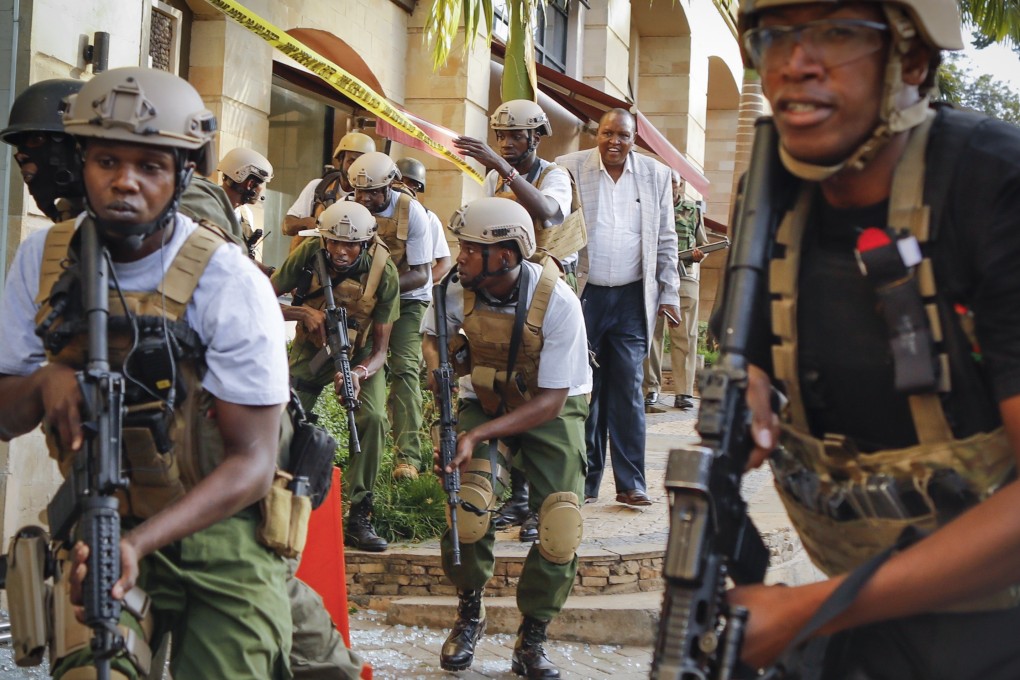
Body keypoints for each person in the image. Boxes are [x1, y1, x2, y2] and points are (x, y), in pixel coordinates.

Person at [2, 74, 364, 680]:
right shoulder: (41, 261)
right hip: (102, 517)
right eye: (108, 160)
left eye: (149, 165)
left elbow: (250, 466)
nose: (125, 180)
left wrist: (139, 547)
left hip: (221, 528)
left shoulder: (228, 281)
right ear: (81, 162)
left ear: (182, 174)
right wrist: (45, 384)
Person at [721, 2, 1020, 678]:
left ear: (912, 60)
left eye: (837, 31)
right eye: (776, 35)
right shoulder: (768, 196)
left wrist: (805, 611)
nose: (795, 62)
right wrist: (750, 394)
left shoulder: (994, 185)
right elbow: (751, 363)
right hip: (861, 618)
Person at [422, 197, 590, 678]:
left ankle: (531, 639)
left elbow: (552, 402)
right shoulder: (456, 289)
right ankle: (469, 613)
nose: (461, 257)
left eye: (472, 250)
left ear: (508, 256)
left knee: (559, 523)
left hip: (550, 406)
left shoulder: (557, 302)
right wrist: (441, 375)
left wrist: (480, 437)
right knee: (468, 504)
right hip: (489, 395)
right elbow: (434, 339)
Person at [455, 99, 577, 541]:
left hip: (545, 284)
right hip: (503, 281)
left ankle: (534, 501)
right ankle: (515, 497)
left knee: (537, 380)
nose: (506, 143)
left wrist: (503, 171)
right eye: (500, 136)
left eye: (516, 136)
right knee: (505, 379)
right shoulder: (494, 174)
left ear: (536, 137)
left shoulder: (555, 174)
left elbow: (546, 213)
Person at [555, 109, 681, 507]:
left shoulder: (656, 176)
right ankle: (586, 482)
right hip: (584, 295)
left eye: (622, 136)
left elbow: (666, 239)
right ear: (598, 134)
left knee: (627, 390)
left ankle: (631, 484)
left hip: (631, 297)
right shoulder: (569, 168)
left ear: (634, 138)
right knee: (583, 389)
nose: (614, 142)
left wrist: (670, 293)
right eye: (607, 133)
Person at [272, 201, 399, 553]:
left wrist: (358, 373)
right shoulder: (308, 252)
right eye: (335, 243)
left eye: (351, 245)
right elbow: (259, 298)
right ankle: (274, 499)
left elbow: (380, 352)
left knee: (372, 418)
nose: (341, 252)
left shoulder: (384, 272)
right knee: (281, 416)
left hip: (357, 356)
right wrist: (300, 311)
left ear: (365, 243)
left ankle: (360, 513)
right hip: (311, 351)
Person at [0, 78, 245, 247]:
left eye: (38, 140)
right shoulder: (69, 213)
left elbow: (230, 271)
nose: (24, 158)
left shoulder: (177, 197)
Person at [349, 151, 434, 482]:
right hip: (364, 301)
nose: (365, 199)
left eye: (373, 192)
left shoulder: (412, 211)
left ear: (390, 185)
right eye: (359, 192)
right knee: (363, 363)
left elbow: (422, 273)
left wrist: (380, 289)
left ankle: (408, 458)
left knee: (405, 369)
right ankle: (366, 448)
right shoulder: (348, 208)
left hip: (408, 298)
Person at [643, 172, 709, 411]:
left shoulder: (693, 212)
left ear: (680, 185)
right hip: (652, 279)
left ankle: (684, 392)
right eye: (666, 181)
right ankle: (651, 389)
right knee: (651, 337)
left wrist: (699, 254)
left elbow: (702, 244)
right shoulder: (649, 207)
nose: (670, 186)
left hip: (684, 277)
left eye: (673, 182)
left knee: (685, 338)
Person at [284, 131, 376, 253]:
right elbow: (287, 226)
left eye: (362, 163)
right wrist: (308, 223)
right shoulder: (318, 187)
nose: (356, 169)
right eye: (351, 161)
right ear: (340, 160)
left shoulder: (371, 199)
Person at [394, 157, 453, 286]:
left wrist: (422, 284)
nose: (402, 187)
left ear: (417, 187)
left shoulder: (428, 217)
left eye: (410, 183)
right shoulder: (378, 210)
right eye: (399, 181)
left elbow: (444, 263)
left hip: (411, 292)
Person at [218, 146, 274, 259]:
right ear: (250, 184)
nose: (261, 190)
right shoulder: (211, 209)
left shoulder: (245, 213)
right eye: (261, 184)